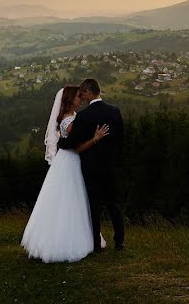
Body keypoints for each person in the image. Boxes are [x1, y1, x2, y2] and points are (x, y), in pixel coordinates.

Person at [21, 85, 109, 262]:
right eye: (78, 97)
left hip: (65, 160)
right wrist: (95, 138)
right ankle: (67, 242)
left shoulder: (71, 117)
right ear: (69, 100)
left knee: (68, 199)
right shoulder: (69, 121)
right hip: (71, 161)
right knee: (71, 199)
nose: (81, 99)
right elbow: (77, 147)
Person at [57, 78, 125, 252]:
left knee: (94, 207)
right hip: (110, 167)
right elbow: (121, 140)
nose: (81, 96)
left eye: (82, 93)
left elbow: (72, 142)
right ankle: (119, 242)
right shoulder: (114, 111)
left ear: (88, 92)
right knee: (113, 204)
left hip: (91, 167)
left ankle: (95, 244)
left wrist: (60, 143)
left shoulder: (84, 116)